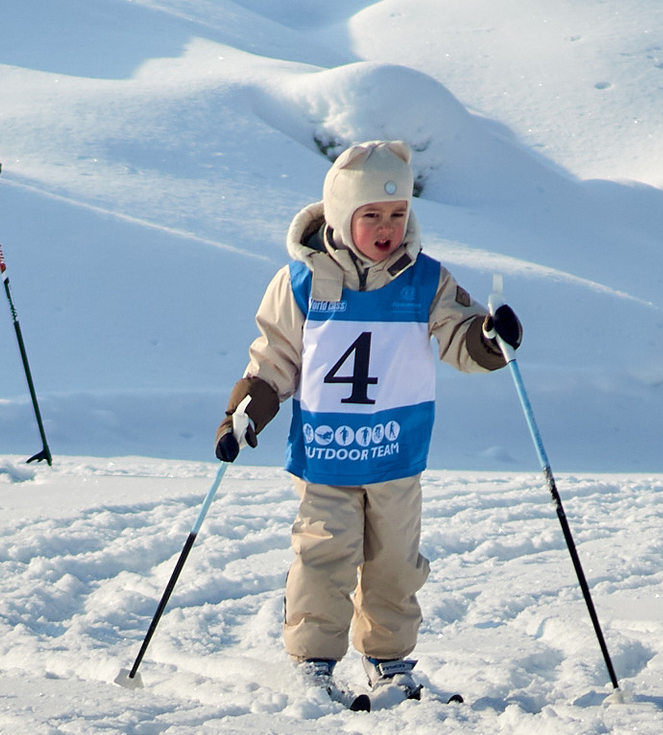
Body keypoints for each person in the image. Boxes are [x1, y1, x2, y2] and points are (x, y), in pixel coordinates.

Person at [214, 138, 522, 704]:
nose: (387, 227)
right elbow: (276, 356)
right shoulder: (301, 282)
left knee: (395, 564)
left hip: (395, 455)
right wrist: (249, 407)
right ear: (340, 214)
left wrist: (488, 339)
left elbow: (460, 336)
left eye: (398, 213)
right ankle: (312, 663)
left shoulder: (425, 281)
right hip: (326, 454)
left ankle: (389, 660)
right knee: (323, 556)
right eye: (372, 215)